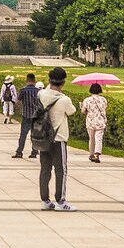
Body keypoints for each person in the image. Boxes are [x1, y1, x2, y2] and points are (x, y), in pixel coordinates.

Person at [38, 67, 77, 212]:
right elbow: (72, 111)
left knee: (45, 170)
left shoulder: (41, 94)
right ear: (63, 82)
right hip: (58, 138)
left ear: (49, 80)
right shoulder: (64, 99)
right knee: (61, 170)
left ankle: (45, 200)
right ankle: (61, 201)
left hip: (43, 138)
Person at [13, 74, 41, 158]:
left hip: (26, 115)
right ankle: (34, 151)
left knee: (23, 134)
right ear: (34, 80)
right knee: (34, 134)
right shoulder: (38, 91)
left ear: (27, 80)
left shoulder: (23, 90)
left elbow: (18, 100)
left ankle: (19, 151)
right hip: (35, 116)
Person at [81, 83, 108, 163]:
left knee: (91, 139)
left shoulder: (87, 100)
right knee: (98, 138)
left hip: (90, 121)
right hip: (100, 121)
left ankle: (91, 154)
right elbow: (104, 108)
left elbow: (83, 111)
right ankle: (97, 154)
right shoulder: (103, 99)